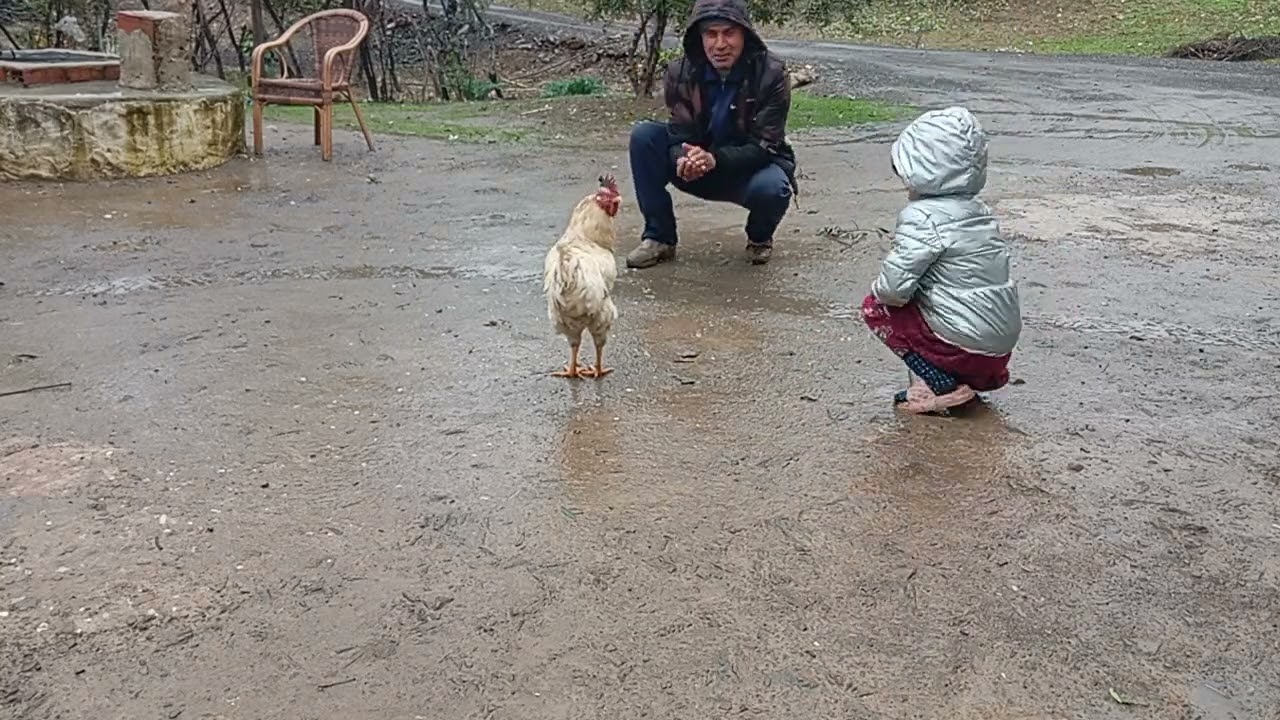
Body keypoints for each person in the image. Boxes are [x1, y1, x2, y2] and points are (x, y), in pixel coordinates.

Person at [862, 106, 1022, 415]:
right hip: (997, 352)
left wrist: (895, 293)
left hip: (962, 348)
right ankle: (946, 378)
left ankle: (940, 388)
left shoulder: (922, 217)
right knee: (932, 302)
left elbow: (892, 289)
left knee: (876, 307)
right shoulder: (980, 212)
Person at [625, 0, 797, 269]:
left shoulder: (772, 73)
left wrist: (714, 158)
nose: (720, 45)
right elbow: (679, 132)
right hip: (700, 166)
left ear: (745, 34)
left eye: (729, 33)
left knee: (775, 188)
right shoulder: (679, 71)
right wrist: (685, 157)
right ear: (699, 37)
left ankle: (760, 238)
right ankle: (659, 238)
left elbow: (765, 145)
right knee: (644, 136)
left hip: (749, 169)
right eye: (711, 34)